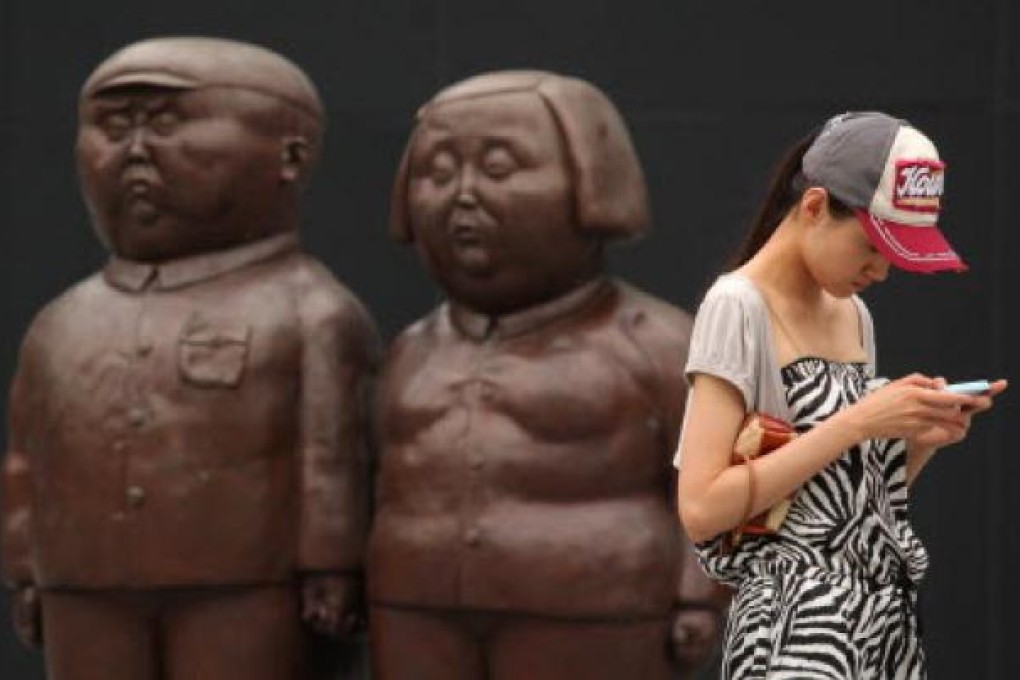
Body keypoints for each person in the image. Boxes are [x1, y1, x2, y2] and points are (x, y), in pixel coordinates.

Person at [1, 37, 378, 680]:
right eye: (114, 127)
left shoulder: (312, 310)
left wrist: (331, 564)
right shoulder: (59, 322)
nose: (136, 150)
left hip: (245, 583)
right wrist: (22, 564)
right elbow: (25, 458)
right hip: (84, 578)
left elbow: (333, 455)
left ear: (289, 155)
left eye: (167, 123)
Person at [368, 70, 727, 680]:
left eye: (500, 168)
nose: (463, 195)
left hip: (594, 609)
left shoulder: (659, 343)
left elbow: (718, 481)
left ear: (593, 183)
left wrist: (700, 592)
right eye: (438, 173)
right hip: (413, 604)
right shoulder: (411, 349)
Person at [676, 111, 1007, 678]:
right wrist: (858, 422)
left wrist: (916, 441)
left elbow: (833, 508)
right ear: (813, 207)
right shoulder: (737, 305)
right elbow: (702, 509)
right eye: (873, 246)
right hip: (794, 626)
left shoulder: (853, 313)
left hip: (879, 619)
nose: (880, 271)